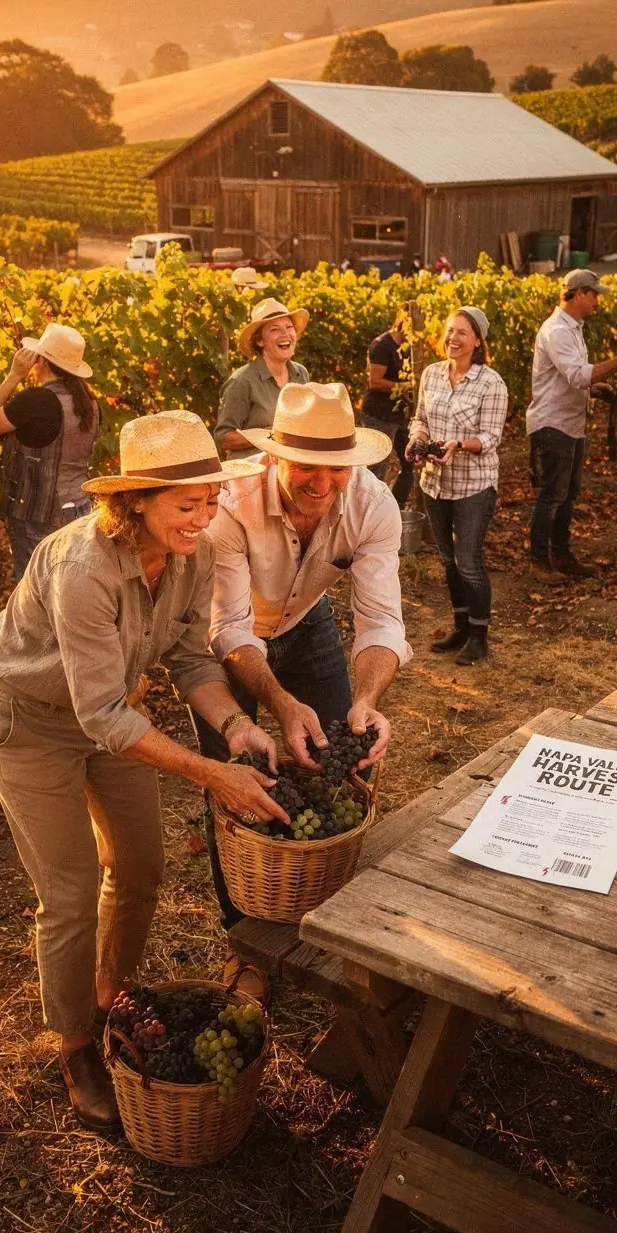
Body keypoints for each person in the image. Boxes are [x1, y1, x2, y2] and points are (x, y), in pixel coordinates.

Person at [0, 411, 287, 1131]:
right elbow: (103, 715)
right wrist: (211, 773)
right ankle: (77, 1046)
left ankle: (110, 999)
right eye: (186, 503)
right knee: (72, 886)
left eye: (210, 500)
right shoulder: (83, 567)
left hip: (108, 713)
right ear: (134, 500)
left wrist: (235, 726)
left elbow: (191, 657)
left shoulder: (191, 553)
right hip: (26, 721)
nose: (203, 518)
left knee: (141, 868)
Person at [195, 381, 412, 992]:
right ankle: (243, 940)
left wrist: (365, 701)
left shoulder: (374, 505)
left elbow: (381, 621)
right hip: (229, 636)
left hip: (304, 620)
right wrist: (281, 703)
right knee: (235, 779)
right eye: (306, 469)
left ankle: (330, 909)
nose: (323, 483)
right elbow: (229, 628)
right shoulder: (230, 504)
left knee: (344, 751)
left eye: (337, 469)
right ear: (272, 457)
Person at [408, 307, 508, 666]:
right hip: (435, 482)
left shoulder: (491, 382)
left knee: (468, 561)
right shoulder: (432, 375)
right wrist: (418, 439)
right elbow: (420, 418)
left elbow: (491, 436)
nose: (454, 337)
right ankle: (461, 626)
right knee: (448, 560)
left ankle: (480, 635)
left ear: (477, 341)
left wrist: (459, 445)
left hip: (473, 486)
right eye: (450, 331)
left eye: (463, 332)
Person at [527, 269, 617, 584]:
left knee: (568, 493)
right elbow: (578, 375)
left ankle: (560, 554)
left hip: (571, 423)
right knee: (553, 493)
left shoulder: (574, 328)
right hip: (553, 423)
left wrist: (595, 389)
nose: (597, 300)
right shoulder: (557, 331)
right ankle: (538, 562)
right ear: (579, 294)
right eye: (594, 294)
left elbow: (574, 378)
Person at [0, 323, 100, 580]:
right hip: (79, 508)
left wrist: (15, 374)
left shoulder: (36, 400)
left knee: (35, 597)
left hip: (38, 514)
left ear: (40, 361)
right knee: (67, 589)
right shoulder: (90, 402)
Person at [213, 296, 310, 460]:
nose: (285, 334)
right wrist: (270, 435)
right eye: (275, 330)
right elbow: (223, 438)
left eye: (289, 327)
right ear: (259, 340)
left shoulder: (301, 374)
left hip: (291, 469)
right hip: (252, 474)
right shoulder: (242, 381)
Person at [361, 307, 413, 510]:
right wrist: (403, 387)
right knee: (377, 467)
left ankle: (393, 508)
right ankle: (369, 513)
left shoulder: (409, 346)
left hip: (401, 415)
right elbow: (374, 381)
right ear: (404, 321)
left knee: (409, 462)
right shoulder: (382, 345)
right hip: (379, 414)